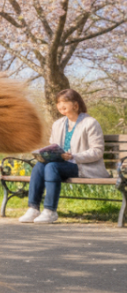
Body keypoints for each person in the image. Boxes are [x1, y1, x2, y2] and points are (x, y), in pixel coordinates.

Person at [20, 89, 109, 224]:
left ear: (76, 104)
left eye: (64, 102)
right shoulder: (58, 124)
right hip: (61, 164)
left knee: (52, 167)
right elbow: (53, 146)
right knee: (40, 166)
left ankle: (50, 211)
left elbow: (97, 151)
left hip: (83, 166)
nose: (61, 106)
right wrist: (47, 154)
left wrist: (74, 156)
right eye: (58, 103)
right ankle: (33, 208)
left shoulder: (90, 123)